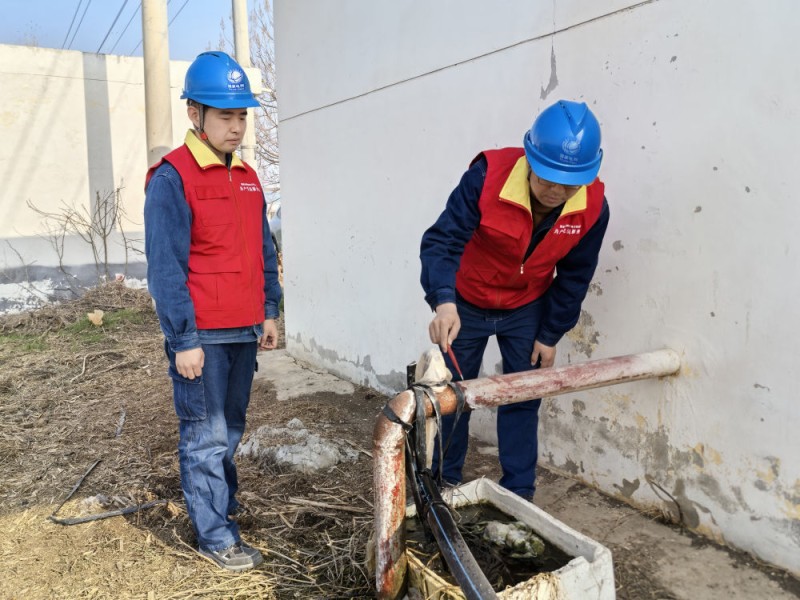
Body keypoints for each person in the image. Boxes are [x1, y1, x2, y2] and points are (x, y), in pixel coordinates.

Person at [419, 100, 609, 501]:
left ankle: (519, 494)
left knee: (523, 395)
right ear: (530, 157)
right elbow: (442, 241)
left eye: (569, 183)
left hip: (527, 307)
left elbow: (575, 275)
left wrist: (550, 333)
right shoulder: (487, 178)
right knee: (454, 396)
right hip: (467, 302)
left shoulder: (592, 207)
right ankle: (444, 485)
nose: (557, 191)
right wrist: (444, 302)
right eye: (547, 179)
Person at [144, 51, 282, 572]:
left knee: (230, 430)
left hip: (244, 330)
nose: (237, 126)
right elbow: (165, 270)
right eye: (226, 115)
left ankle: (219, 504)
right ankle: (216, 536)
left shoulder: (247, 176)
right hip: (201, 335)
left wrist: (268, 310)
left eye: (242, 115)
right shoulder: (172, 178)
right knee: (204, 437)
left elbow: (264, 251)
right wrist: (183, 341)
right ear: (194, 115)